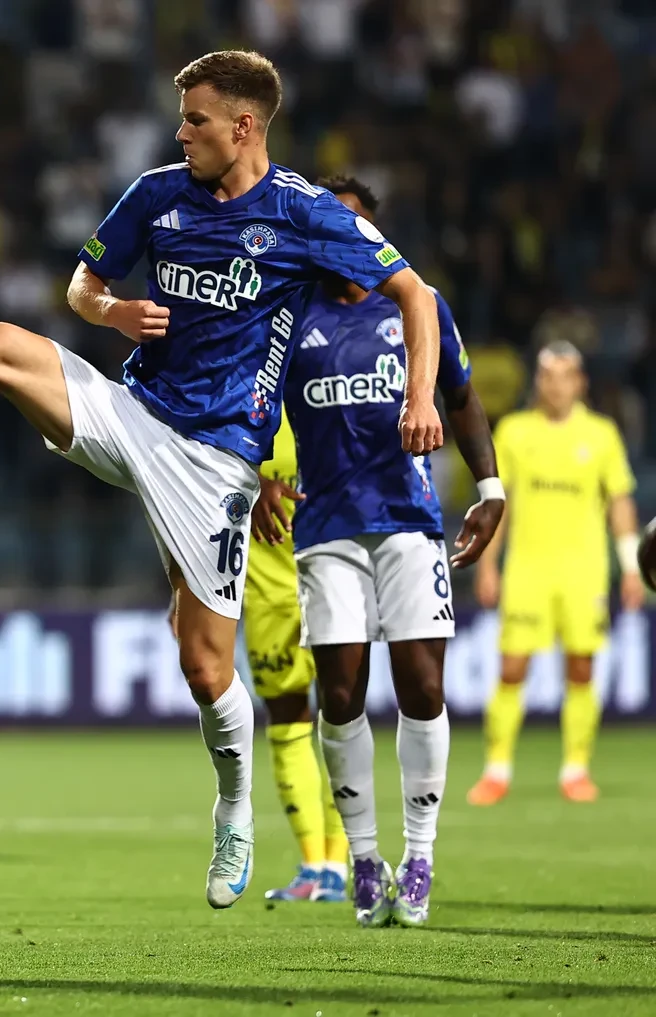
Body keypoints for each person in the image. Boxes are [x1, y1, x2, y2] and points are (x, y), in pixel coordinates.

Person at [0, 50, 445, 910]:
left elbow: (415, 294)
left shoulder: (306, 215)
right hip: (135, 413)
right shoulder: (158, 194)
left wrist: (419, 395)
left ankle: (234, 807)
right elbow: (82, 284)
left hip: (216, 460)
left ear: (245, 126)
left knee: (204, 666)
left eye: (197, 118)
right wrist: (112, 310)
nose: (182, 131)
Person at [254, 175, 503, 927]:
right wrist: (259, 476)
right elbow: (254, 408)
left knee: (423, 686)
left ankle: (420, 853)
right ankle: (364, 860)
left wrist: (490, 487)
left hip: (408, 519)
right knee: (339, 693)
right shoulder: (292, 320)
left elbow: (460, 396)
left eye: (353, 225)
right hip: (327, 529)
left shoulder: (416, 308)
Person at [468, 341, 643, 806]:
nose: (557, 385)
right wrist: (488, 565)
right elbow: (497, 505)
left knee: (582, 669)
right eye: (549, 375)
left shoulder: (602, 434)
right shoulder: (515, 431)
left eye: (566, 375)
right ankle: (497, 769)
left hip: (584, 571)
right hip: (528, 569)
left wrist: (630, 568)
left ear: (580, 382)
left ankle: (576, 768)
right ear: (538, 382)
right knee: (511, 668)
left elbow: (620, 502)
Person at [239, 407, 350, 903]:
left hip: (330, 583)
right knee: (288, 720)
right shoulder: (238, 405)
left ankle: (344, 862)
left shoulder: (322, 400)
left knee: (342, 717)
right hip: (266, 594)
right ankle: (316, 865)